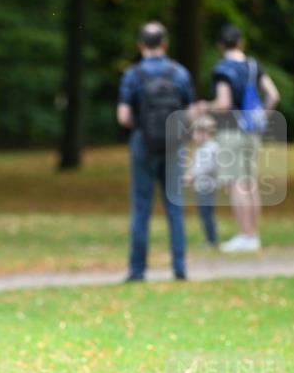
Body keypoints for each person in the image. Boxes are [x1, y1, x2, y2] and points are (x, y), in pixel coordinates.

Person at [117, 21, 195, 281]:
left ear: (140, 45)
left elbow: (123, 116)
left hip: (143, 143)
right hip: (174, 143)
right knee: (175, 207)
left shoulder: (133, 75)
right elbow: (189, 114)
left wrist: (144, 126)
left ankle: (137, 270)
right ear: (165, 44)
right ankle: (179, 268)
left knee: (141, 208)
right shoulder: (180, 73)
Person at [197, 24, 280, 253]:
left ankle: (245, 235)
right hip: (252, 131)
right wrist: (261, 118)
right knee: (250, 183)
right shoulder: (253, 65)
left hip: (230, 130)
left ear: (220, 46)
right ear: (241, 42)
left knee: (236, 183)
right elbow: (273, 95)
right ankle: (254, 235)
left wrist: (205, 106)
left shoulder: (222, 69)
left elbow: (223, 103)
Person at [184, 114, 219, 248]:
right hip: (202, 186)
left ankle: (211, 240)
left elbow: (206, 167)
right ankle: (210, 238)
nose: (193, 137)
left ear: (204, 133)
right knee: (205, 214)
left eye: (195, 133)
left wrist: (191, 175)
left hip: (206, 187)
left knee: (206, 214)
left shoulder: (209, 148)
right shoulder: (204, 147)